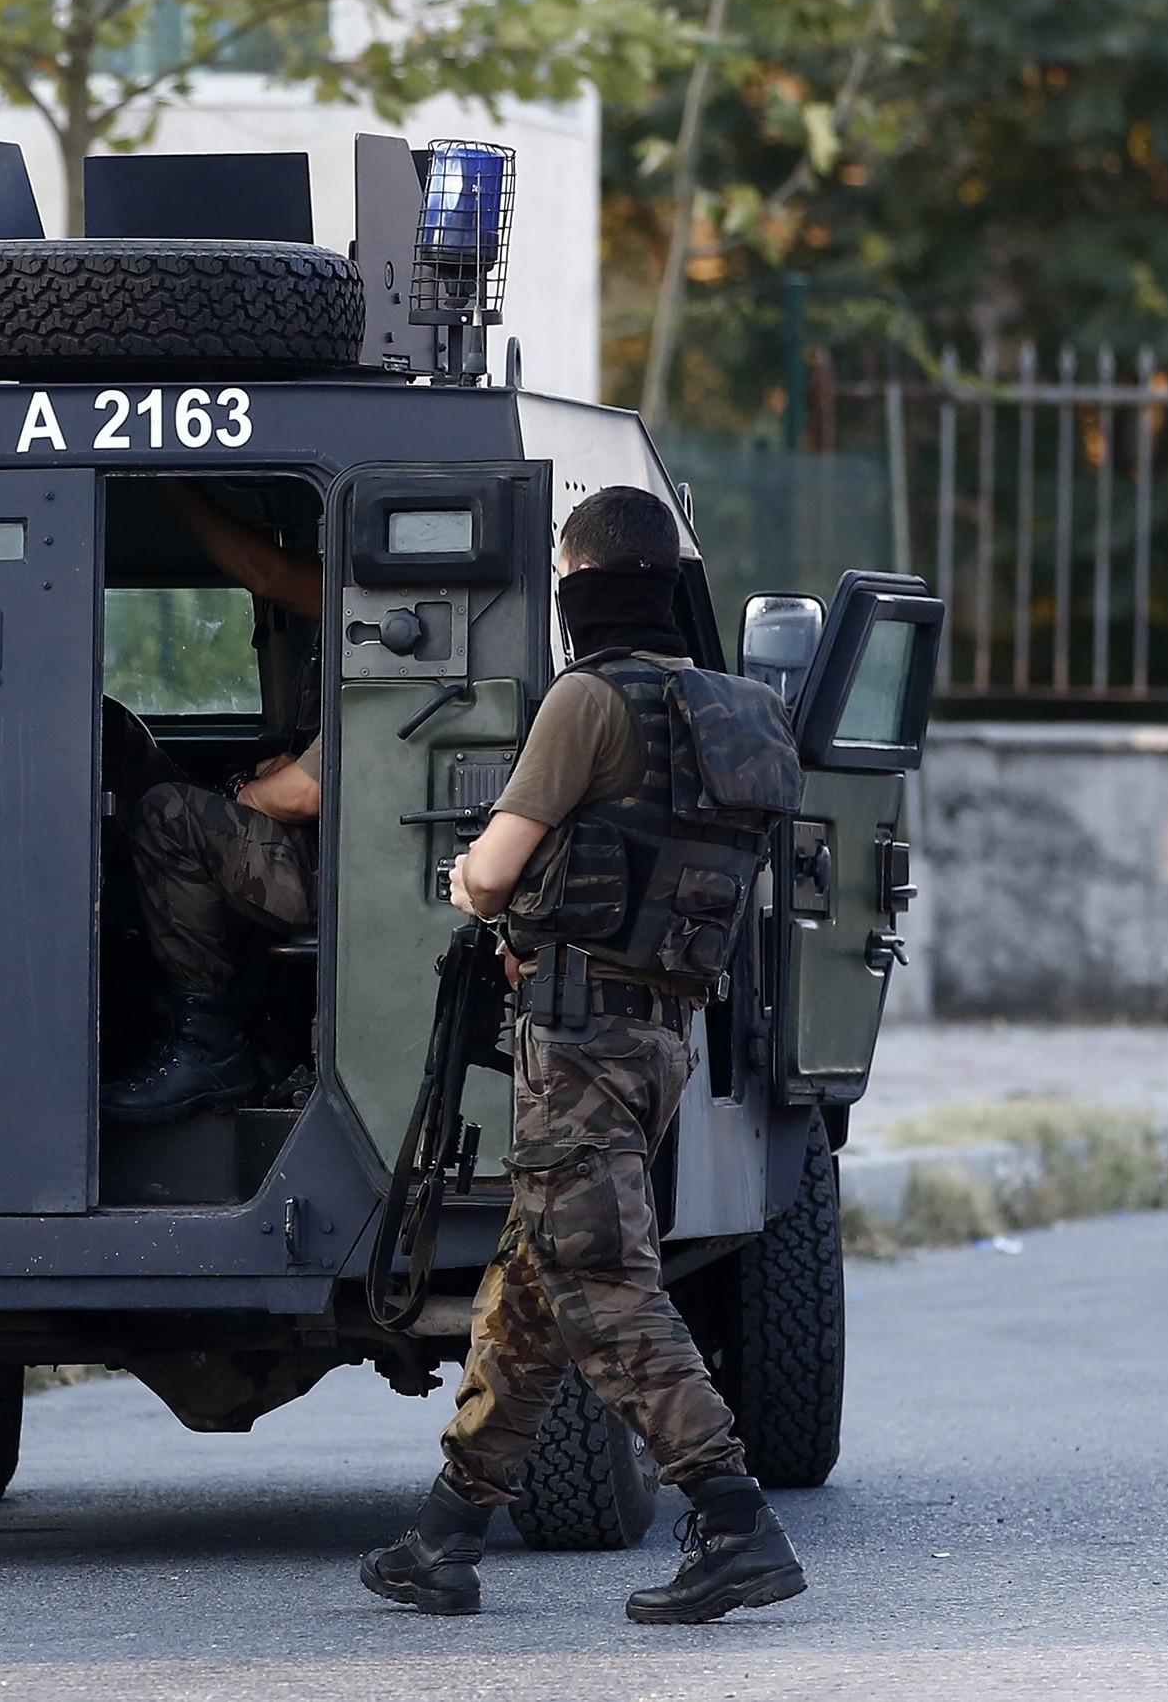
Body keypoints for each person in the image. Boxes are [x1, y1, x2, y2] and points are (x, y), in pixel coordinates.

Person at [358, 484, 808, 1626]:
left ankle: (733, 1518)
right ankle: (446, 1533)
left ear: (579, 577)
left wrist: (465, 880)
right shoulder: (743, 709)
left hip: (580, 1037)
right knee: (532, 1284)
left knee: (601, 1279)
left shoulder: (587, 700)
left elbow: (497, 873)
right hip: (662, 1035)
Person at [102, 482, 322, 1124]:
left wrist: (167, 477)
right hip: (323, 856)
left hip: (339, 874)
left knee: (170, 815)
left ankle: (208, 1047)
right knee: (131, 756)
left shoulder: (398, 626)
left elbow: (305, 795)